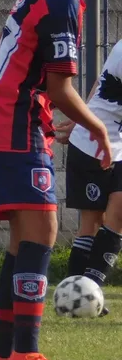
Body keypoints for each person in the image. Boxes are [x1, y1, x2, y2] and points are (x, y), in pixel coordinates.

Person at [0, 0, 118, 360]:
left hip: (6, 115)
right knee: (42, 232)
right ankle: (26, 356)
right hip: (10, 120)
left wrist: (32, 105)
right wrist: (93, 126)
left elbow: (6, 50)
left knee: (22, 238)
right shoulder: (61, 0)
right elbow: (61, 87)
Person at [54, 39, 122, 311]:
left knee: (118, 215)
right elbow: (103, 82)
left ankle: (91, 290)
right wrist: (85, 121)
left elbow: (99, 80)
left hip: (118, 144)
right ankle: (72, 295)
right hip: (92, 144)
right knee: (92, 222)